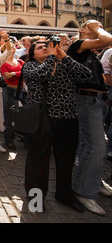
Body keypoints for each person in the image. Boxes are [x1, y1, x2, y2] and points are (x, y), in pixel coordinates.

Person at [22, 39, 92, 213]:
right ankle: (35, 197)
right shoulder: (30, 66)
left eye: (47, 46)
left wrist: (64, 56)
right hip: (43, 118)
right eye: (40, 48)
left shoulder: (63, 64)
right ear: (33, 54)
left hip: (68, 118)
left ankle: (64, 193)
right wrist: (52, 57)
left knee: (66, 160)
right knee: (38, 160)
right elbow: (42, 75)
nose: (45, 48)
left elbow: (86, 76)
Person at [67, 20, 112, 215]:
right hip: (86, 100)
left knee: (89, 145)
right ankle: (85, 191)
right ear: (83, 29)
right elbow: (109, 39)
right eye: (92, 26)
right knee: (97, 146)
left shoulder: (89, 52)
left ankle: (91, 181)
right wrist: (94, 26)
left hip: (95, 100)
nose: (97, 27)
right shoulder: (78, 44)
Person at [1, 44, 25, 150]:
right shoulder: (3, 63)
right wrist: (16, 74)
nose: (12, 49)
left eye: (13, 47)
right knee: (9, 115)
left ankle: (17, 135)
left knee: (18, 114)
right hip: (8, 90)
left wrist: (13, 73)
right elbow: (5, 76)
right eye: (8, 47)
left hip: (19, 91)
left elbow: (26, 72)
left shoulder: (20, 62)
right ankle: (9, 140)